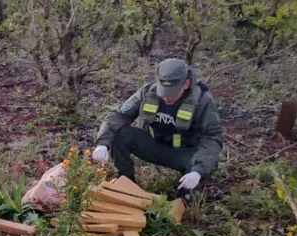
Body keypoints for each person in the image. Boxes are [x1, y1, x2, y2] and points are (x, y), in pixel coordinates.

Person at [91, 58, 223, 195]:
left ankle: (185, 194)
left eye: (173, 93)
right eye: (164, 92)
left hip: (184, 153)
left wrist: (198, 171)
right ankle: (126, 182)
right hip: (156, 145)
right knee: (122, 135)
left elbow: (212, 138)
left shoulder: (202, 101)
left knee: (203, 166)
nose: (167, 98)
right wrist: (102, 143)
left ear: (186, 84)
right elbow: (119, 116)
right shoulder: (149, 92)